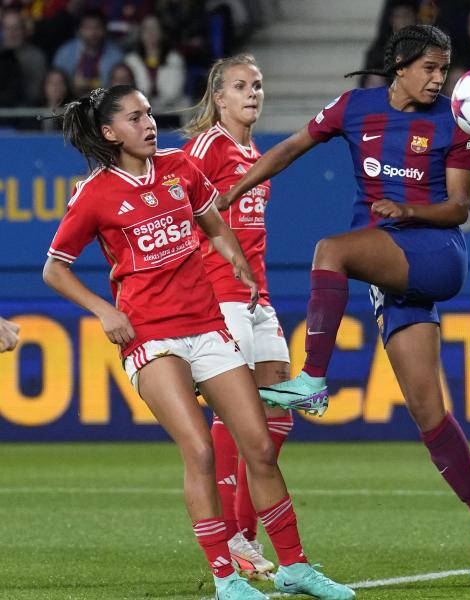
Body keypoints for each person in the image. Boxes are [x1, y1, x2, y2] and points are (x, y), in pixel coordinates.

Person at [218, 23, 470, 579]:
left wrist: (408, 213)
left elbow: (457, 208)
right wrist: (232, 191)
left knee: (329, 250)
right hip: (390, 268)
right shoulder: (355, 108)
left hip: (434, 252)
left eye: (444, 69)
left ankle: (312, 377)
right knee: (428, 413)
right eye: (429, 68)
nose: (438, 79)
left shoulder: (457, 119)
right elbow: (289, 148)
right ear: (400, 65)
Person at [42, 84, 354, 600]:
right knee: (200, 451)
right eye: (135, 117)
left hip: (208, 327)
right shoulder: (94, 193)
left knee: (260, 446)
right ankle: (226, 579)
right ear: (109, 132)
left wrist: (235, 259)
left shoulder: (180, 170)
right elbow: (55, 269)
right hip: (151, 336)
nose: (149, 123)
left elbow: (213, 223)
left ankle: (296, 566)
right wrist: (104, 310)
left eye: (149, 113)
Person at [182, 54, 293, 581]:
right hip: (220, 295)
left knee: (279, 415)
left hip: (257, 296)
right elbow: (174, 208)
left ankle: (242, 533)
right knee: (236, 416)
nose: (253, 93)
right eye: (241, 86)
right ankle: (232, 534)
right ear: (218, 97)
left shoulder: (255, 153)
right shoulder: (206, 148)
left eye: (259, 85)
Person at [52, 9, 124, 96]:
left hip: (105, 103)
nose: (93, 33)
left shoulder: (116, 55)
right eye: (88, 28)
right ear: (78, 30)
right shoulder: (64, 53)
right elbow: (56, 82)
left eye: (97, 27)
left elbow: (118, 88)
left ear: (105, 30)